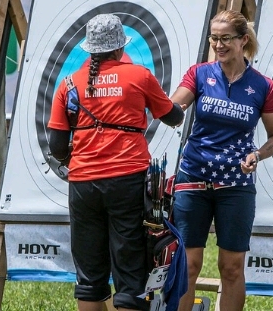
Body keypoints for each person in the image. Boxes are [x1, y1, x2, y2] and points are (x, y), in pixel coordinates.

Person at [47, 13, 184, 311]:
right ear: (120, 48)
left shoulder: (69, 84)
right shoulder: (140, 76)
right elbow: (173, 116)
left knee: (90, 276)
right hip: (128, 180)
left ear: (90, 49)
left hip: (83, 184)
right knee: (131, 271)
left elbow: (56, 146)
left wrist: (81, 156)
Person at [169, 10, 273, 311]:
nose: (218, 45)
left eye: (225, 39)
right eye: (214, 38)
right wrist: (164, 108)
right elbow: (176, 104)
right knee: (188, 265)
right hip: (193, 176)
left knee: (231, 267)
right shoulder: (199, 73)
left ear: (243, 40)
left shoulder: (263, 86)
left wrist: (258, 154)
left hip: (236, 184)